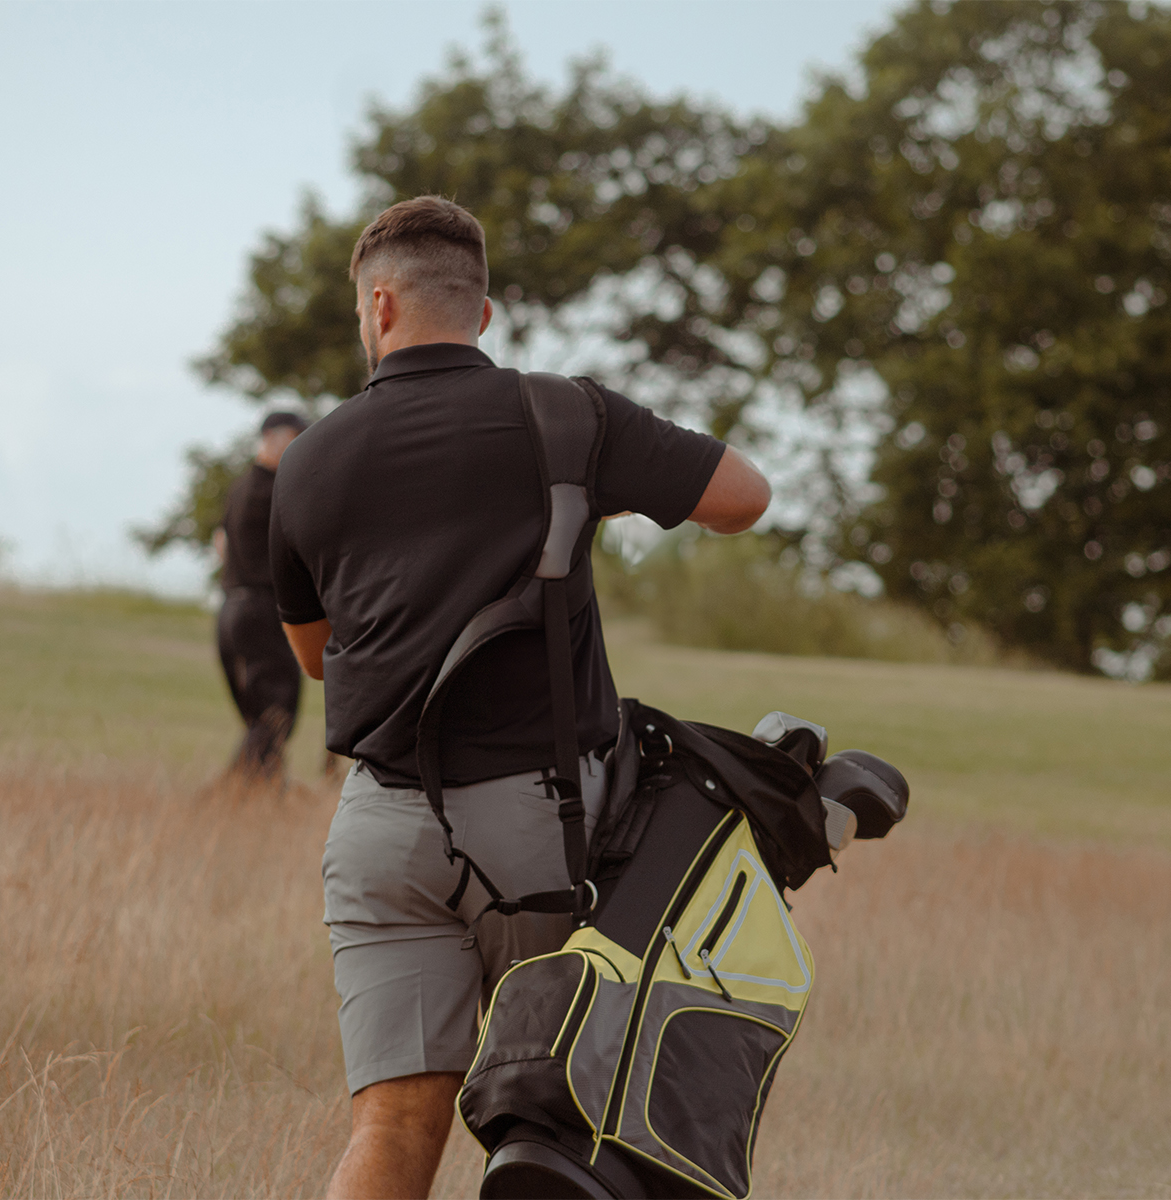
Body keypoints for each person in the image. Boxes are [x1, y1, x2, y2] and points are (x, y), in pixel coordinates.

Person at [267, 196, 771, 1199]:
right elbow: (743, 498)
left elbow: (317, 657)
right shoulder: (567, 415)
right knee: (563, 1117)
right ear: (483, 313)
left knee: (394, 1120)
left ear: (379, 305)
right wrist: (592, 488)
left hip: (383, 828)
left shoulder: (310, 458)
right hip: (547, 829)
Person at [213, 411, 308, 780]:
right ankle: (244, 789)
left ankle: (262, 786)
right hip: (262, 610)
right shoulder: (276, 490)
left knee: (259, 711)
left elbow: (220, 544)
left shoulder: (238, 488)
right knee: (276, 708)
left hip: (231, 608)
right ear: (272, 437)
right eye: (295, 437)